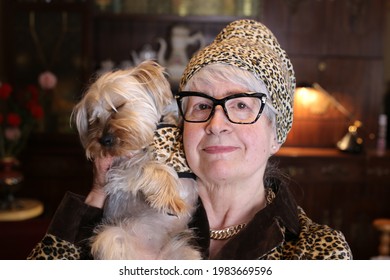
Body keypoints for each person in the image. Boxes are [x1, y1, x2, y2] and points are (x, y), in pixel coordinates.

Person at [28, 19, 352, 260]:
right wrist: (98, 194)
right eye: (201, 105)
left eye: (241, 105)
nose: (217, 123)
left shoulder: (316, 251)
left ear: (276, 133)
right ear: (180, 124)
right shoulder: (115, 211)